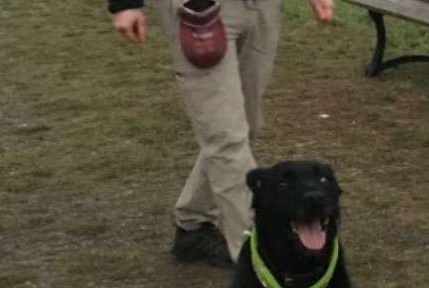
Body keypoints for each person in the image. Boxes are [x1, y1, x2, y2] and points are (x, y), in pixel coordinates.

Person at [110, 0, 335, 268]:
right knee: (227, 140)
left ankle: (192, 224)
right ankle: (261, 262)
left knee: (246, 126)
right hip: (198, 9)